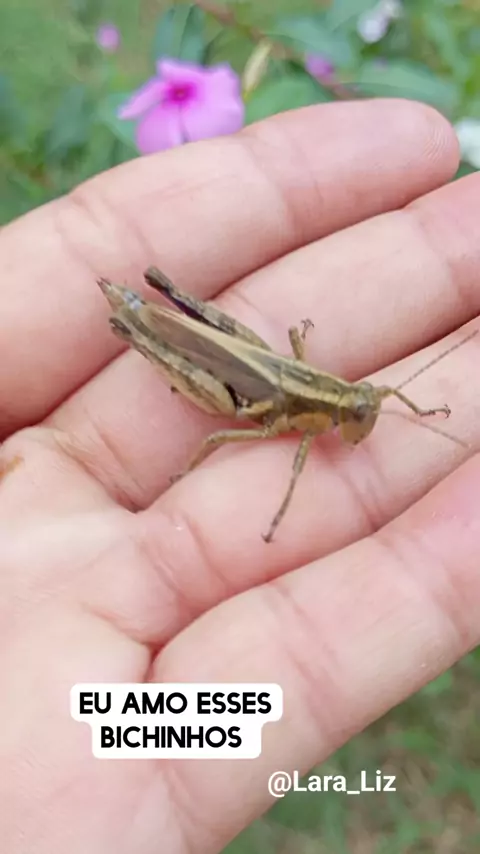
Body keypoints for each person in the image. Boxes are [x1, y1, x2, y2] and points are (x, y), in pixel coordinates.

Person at [1, 98, 479, 853]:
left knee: (249, 381)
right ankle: (138, 320)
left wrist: (415, 404)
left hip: (273, 372)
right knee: (228, 420)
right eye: (357, 410)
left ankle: (146, 312)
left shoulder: (348, 394)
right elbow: (259, 437)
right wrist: (276, 506)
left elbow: (375, 391)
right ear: (337, 407)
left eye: (361, 409)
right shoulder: (305, 425)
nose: (363, 415)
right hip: (247, 385)